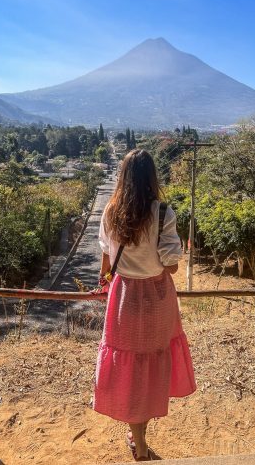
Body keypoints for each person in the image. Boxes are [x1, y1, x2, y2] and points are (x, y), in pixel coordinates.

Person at [92, 149, 196, 461]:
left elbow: (106, 264)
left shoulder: (111, 211)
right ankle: (139, 437)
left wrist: (106, 282)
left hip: (122, 297)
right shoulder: (163, 212)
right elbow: (172, 265)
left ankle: (136, 434)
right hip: (156, 298)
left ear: (123, 175)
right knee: (151, 364)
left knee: (129, 366)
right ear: (152, 176)